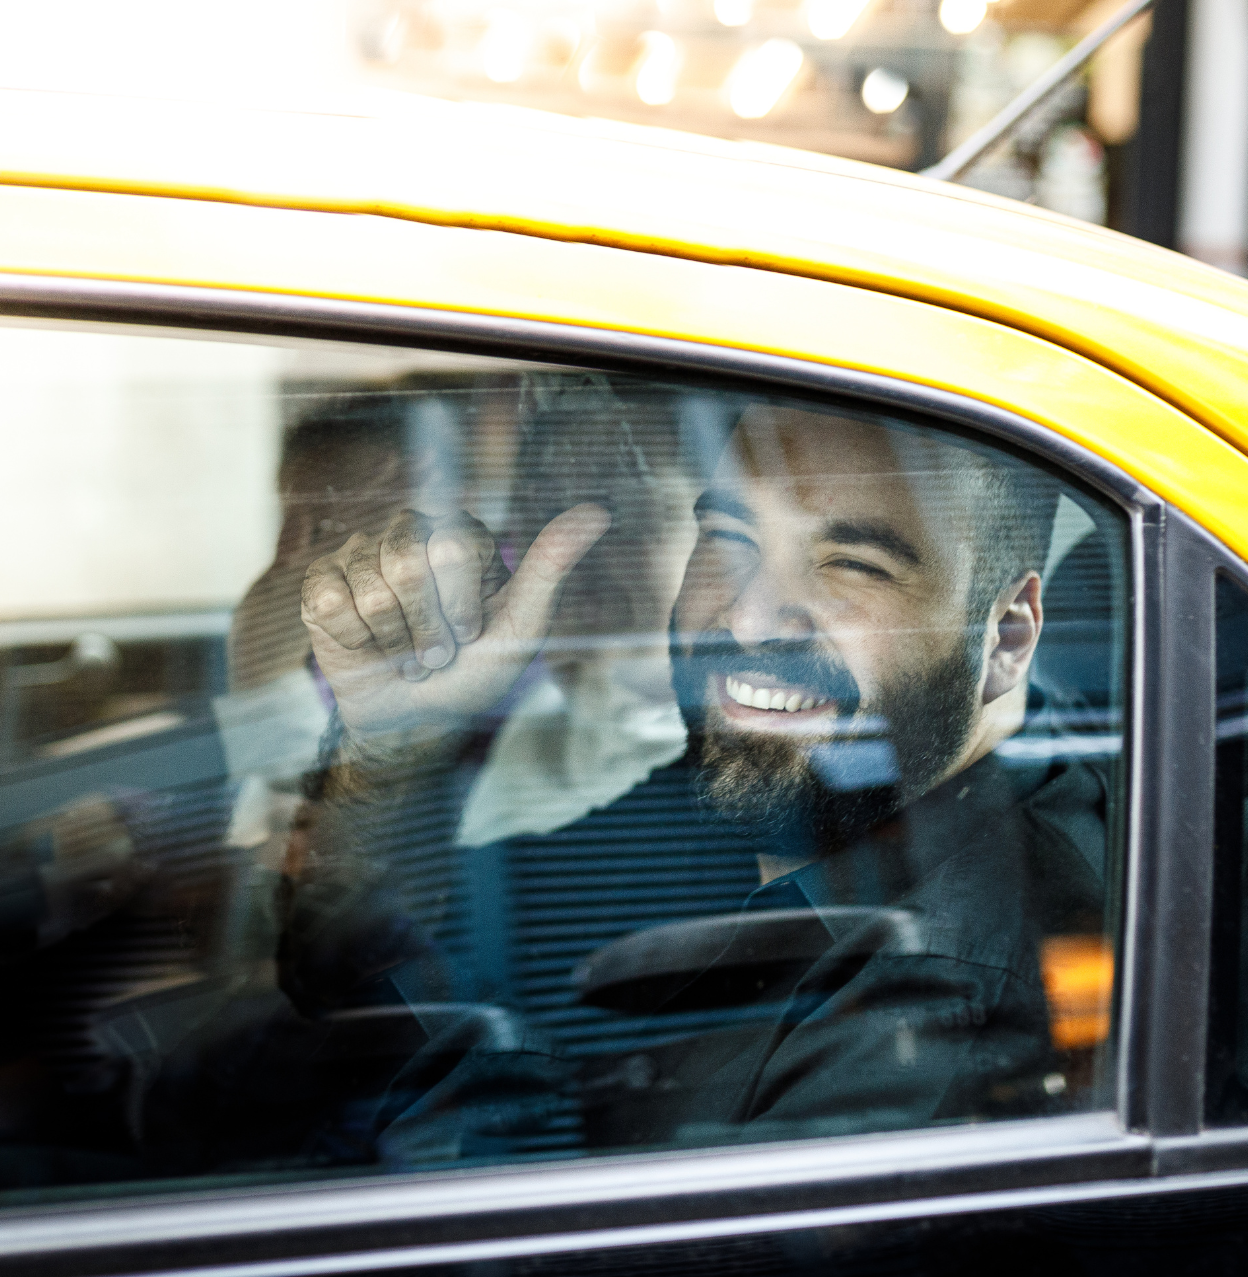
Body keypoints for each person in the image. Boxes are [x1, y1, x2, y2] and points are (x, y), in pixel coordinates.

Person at [283, 400, 1107, 1151]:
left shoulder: (962, 991)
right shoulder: (743, 806)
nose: (747, 617)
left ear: (1005, 638)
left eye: (853, 563)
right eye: (730, 539)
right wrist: (391, 753)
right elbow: (353, 985)